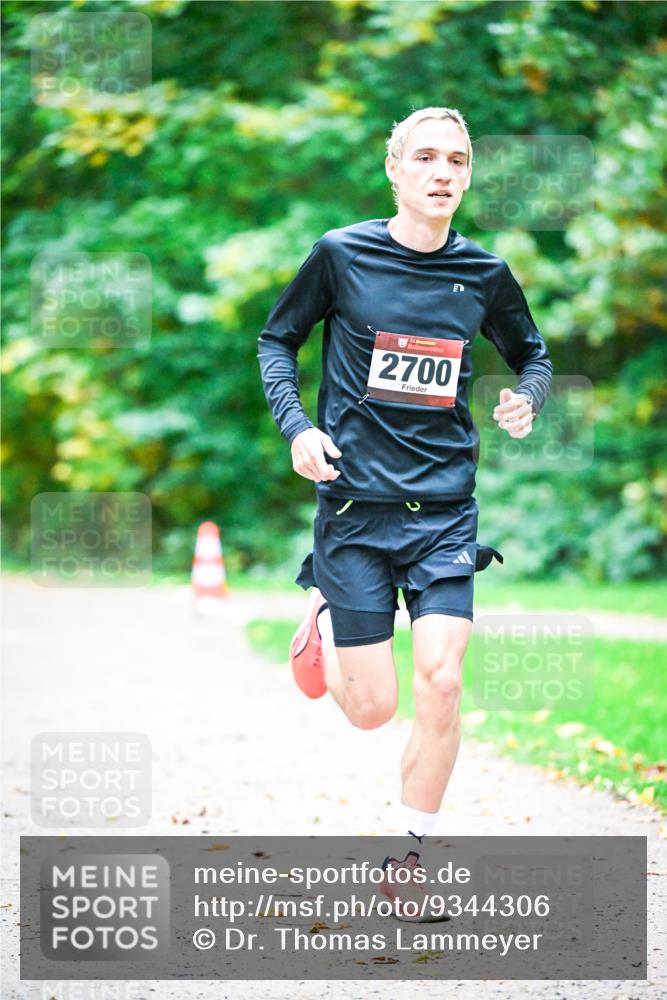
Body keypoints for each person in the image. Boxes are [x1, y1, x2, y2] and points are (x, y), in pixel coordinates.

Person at [257, 107, 552, 920]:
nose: (441, 172)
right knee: (372, 711)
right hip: (354, 509)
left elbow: (531, 354)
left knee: (443, 681)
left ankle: (410, 860)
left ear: (467, 174)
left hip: (443, 513)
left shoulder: (483, 273)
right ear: (393, 169)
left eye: (455, 159)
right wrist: (298, 426)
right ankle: (323, 610)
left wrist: (527, 397)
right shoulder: (340, 253)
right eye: (424, 157)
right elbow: (276, 339)